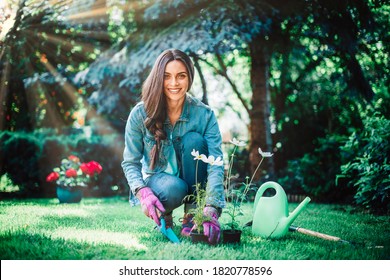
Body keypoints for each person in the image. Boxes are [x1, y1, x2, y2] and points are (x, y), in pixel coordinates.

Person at [121, 49, 225, 244]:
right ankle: (164, 212)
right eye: (167, 76)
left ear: (190, 78)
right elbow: (130, 162)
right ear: (158, 78)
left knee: (194, 140)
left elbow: (216, 163)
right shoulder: (139, 114)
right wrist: (142, 193)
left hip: (194, 183)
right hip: (162, 184)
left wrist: (211, 207)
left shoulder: (205, 115)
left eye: (181, 76)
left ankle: (193, 214)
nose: (174, 83)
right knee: (173, 188)